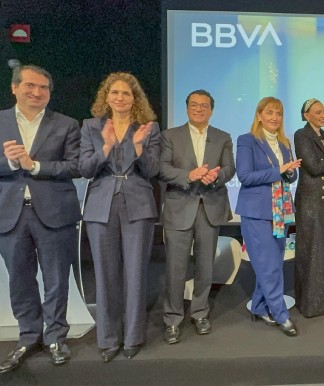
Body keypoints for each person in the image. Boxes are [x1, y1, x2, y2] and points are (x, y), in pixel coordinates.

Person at [0, 65, 81, 372]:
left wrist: (33, 165)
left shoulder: (66, 124)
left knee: (57, 279)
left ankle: (56, 337)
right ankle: (28, 336)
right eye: (30, 86)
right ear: (14, 88)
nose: (37, 92)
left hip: (55, 212)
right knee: (20, 279)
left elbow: (75, 165)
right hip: (10, 213)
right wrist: (11, 163)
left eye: (44, 88)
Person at [79, 72, 161, 361]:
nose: (120, 97)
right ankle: (108, 339)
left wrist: (138, 147)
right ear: (106, 96)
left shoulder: (149, 128)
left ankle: (133, 337)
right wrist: (105, 147)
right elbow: (85, 169)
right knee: (105, 274)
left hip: (138, 203)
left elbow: (153, 171)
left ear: (135, 98)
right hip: (101, 205)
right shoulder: (91, 126)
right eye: (114, 92)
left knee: (136, 273)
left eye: (126, 93)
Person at [160, 89, 236, 344]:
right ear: (187, 108)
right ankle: (172, 318)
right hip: (179, 207)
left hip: (210, 207)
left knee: (205, 265)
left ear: (211, 110)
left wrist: (217, 176)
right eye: (194, 104)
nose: (199, 109)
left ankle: (200, 312)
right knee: (175, 267)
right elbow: (162, 168)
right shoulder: (170, 136)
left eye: (204, 105)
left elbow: (229, 168)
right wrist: (188, 176)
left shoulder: (223, 137)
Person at [235, 97, 301, 336]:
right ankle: (281, 314)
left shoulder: (284, 142)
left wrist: (290, 173)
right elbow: (245, 176)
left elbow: (289, 176)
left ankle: (259, 306)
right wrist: (278, 171)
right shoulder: (247, 140)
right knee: (269, 265)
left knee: (272, 263)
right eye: (270, 112)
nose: (275, 117)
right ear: (259, 115)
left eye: (279, 113)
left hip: (279, 211)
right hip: (256, 212)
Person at [293, 98, 324, 318]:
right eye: (318, 112)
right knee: (311, 251)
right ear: (306, 115)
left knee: (323, 249)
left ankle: (321, 296)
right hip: (311, 201)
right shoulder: (301, 135)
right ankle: (310, 303)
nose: (323, 115)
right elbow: (314, 167)